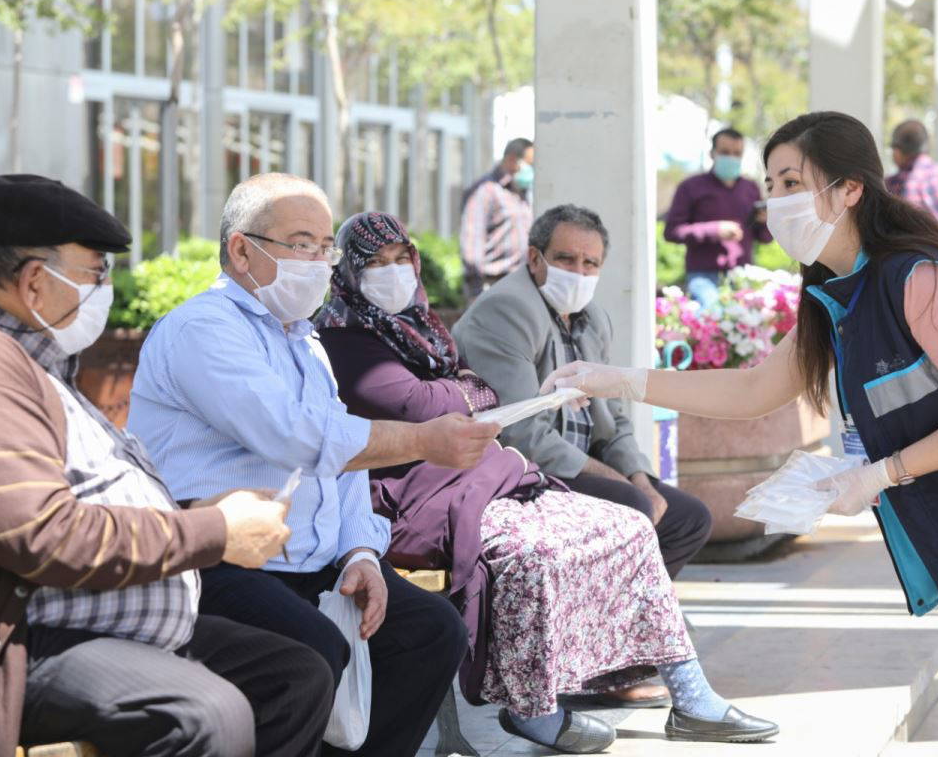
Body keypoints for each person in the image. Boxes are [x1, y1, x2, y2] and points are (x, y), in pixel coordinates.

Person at [544, 111, 938, 756]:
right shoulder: (835, 296)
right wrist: (620, 380)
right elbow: (753, 391)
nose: (775, 201)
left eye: (792, 182)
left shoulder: (922, 280)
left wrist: (882, 473)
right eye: (771, 184)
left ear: (850, 188)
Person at [313, 211, 778, 750]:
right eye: (375, 262)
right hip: (407, 494)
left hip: (476, 472)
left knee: (630, 525)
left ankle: (691, 697)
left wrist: (458, 397)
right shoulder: (344, 336)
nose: (392, 272)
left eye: (401, 259)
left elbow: (475, 396)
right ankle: (533, 708)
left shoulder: (420, 324)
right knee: (533, 551)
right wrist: (460, 394)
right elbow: (418, 405)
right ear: (348, 270)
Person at [127, 173, 502, 757]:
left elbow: (342, 466)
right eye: (301, 244)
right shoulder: (202, 329)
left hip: (316, 559)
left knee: (431, 631)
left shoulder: (305, 342)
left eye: (325, 247)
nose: (319, 262)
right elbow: (297, 437)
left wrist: (361, 554)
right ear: (241, 250)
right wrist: (423, 441)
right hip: (223, 559)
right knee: (315, 650)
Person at [0, 174, 334, 757]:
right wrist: (212, 531)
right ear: (35, 281)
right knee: (204, 714)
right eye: (95, 272)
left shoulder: (42, 363)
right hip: (36, 639)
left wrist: (197, 512)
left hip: (115, 622)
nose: (104, 289)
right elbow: (42, 534)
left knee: (295, 675)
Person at [452, 204, 714, 580]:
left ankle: (621, 614)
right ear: (535, 259)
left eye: (590, 263)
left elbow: (613, 418)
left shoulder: (593, 317)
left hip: (576, 462)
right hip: (527, 470)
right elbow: (520, 432)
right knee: (632, 506)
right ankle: (606, 611)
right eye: (565, 259)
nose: (578, 272)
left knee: (687, 519)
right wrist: (620, 482)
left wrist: (639, 476)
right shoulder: (506, 310)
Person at [664, 128, 769, 309]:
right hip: (703, 276)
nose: (731, 158)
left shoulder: (751, 188)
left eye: (737, 153)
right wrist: (714, 230)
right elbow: (672, 231)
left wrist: (764, 221)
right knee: (711, 314)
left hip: (742, 275)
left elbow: (765, 238)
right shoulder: (691, 187)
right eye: (725, 152)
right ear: (712, 153)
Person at [460, 137, 534, 303]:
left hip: (520, 282)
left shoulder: (520, 191)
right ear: (512, 159)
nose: (532, 170)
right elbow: (472, 240)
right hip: (492, 283)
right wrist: (475, 290)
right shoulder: (485, 190)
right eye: (529, 164)